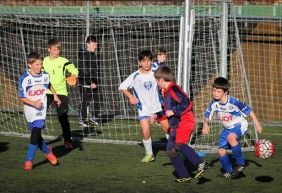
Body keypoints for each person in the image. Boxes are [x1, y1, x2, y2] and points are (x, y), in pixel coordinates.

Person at [154, 66, 208, 182]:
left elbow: (187, 103)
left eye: (157, 82)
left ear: (161, 80)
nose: (157, 85)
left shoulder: (173, 89)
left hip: (185, 121)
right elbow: (167, 111)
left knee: (179, 144)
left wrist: (173, 111)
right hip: (175, 124)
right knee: (170, 150)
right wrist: (157, 116)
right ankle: (184, 176)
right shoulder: (166, 92)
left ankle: (200, 163)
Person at [202, 77, 263, 178]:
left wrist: (257, 124)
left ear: (225, 92)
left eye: (218, 91)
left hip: (240, 125)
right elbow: (207, 115)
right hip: (227, 128)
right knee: (221, 151)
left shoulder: (234, 102)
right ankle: (230, 172)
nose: (215, 93)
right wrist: (205, 124)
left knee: (231, 137)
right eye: (214, 90)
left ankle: (240, 164)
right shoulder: (214, 103)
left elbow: (249, 111)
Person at [119, 50, 170, 163]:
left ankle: (176, 150)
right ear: (139, 62)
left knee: (167, 129)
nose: (146, 63)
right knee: (145, 132)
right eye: (143, 61)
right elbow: (122, 87)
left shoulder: (155, 72)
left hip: (158, 107)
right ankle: (149, 154)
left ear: (152, 61)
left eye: (148, 61)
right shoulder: (135, 75)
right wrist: (130, 97)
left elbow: (164, 80)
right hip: (144, 109)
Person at [19, 52, 61, 170]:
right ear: (29, 65)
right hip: (29, 109)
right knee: (35, 135)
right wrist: (33, 103)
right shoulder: (24, 78)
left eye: (41, 64)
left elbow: (49, 84)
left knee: (35, 134)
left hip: (41, 109)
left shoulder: (44, 75)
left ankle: (28, 161)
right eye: (36, 64)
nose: (39, 67)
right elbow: (21, 97)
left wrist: (55, 95)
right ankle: (47, 151)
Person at [43, 38, 79, 149]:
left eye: (58, 49)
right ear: (49, 49)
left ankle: (67, 141)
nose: (57, 52)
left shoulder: (63, 61)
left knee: (63, 117)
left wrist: (74, 75)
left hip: (61, 92)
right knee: (40, 115)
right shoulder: (43, 61)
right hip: (47, 92)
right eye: (54, 49)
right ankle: (37, 139)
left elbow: (74, 69)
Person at [77, 35, 100, 127]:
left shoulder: (93, 55)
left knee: (97, 100)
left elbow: (93, 70)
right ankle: (82, 120)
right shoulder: (83, 54)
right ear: (88, 44)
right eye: (93, 44)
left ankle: (93, 118)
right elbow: (83, 69)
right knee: (85, 101)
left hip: (93, 81)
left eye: (96, 44)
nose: (95, 46)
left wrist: (94, 81)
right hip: (85, 82)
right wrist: (89, 82)